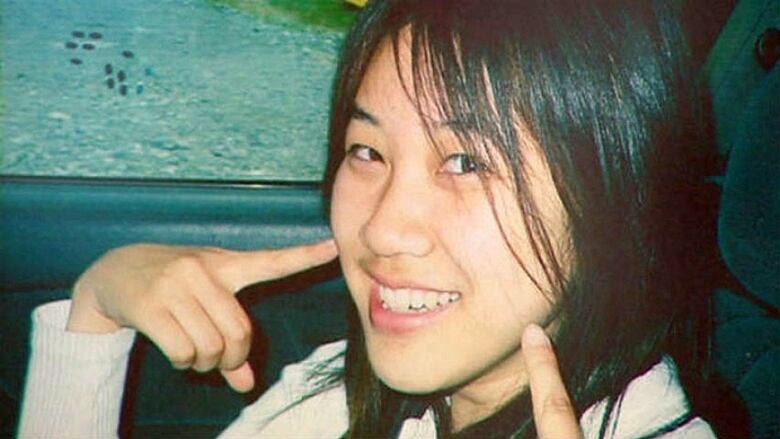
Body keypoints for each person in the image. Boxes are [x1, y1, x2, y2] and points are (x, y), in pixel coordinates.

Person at [19, 0, 724, 437]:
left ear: (612, 205)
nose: (384, 229)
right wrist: (95, 314)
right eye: (366, 150)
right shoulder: (335, 389)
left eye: (467, 162)